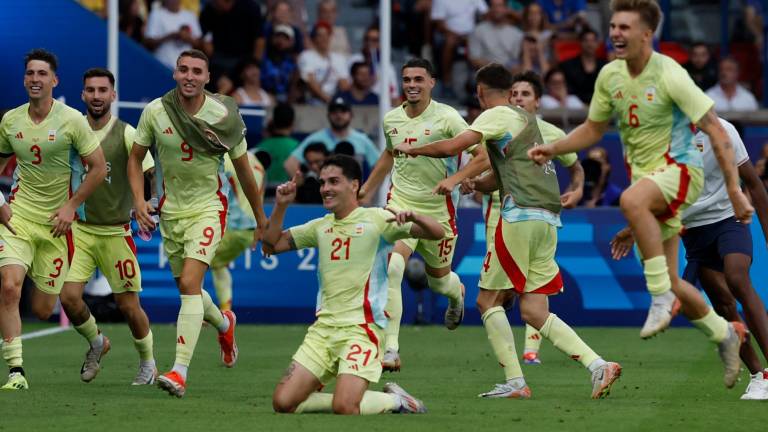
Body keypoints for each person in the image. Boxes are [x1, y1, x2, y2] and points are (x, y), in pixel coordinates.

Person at [527, 0, 750, 388]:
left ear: (647, 34)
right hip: (652, 180)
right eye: (613, 26)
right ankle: (725, 333)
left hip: (682, 171)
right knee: (676, 277)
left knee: (631, 201)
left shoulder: (671, 74)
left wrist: (734, 190)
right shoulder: (609, 76)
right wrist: (555, 148)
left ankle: (659, 296)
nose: (615, 33)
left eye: (624, 27)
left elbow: (715, 130)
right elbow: (593, 130)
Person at [393, 63, 620, 400]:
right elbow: (503, 171)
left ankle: (516, 382)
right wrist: (475, 183)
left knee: (487, 300)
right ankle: (598, 365)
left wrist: (416, 151)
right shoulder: (527, 121)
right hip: (547, 220)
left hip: (518, 218)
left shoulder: (496, 114)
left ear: (481, 91)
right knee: (533, 311)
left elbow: (454, 145)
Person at [128, 49, 268, 397]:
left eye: (197, 71)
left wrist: (261, 219)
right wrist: (139, 200)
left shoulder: (223, 115)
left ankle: (178, 371)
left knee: (191, 283)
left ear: (207, 78)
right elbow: (135, 159)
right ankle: (224, 323)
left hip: (209, 208)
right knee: (187, 289)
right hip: (170, 212)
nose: (189, 76)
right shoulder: (156, 111)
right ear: (175, 74)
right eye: (183, 69)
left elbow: (245, 173)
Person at [264, 155, 437, 414]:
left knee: (345, 407)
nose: (326, 188)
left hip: (362, 330)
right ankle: (350, 395)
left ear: (354, 185)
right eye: (322, 183)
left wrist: (417, 217)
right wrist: (281, 206)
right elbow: (270, 245)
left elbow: (437, 232)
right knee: (283, 403)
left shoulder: (378, 219)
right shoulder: (320, 227)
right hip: (323, 332)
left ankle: (396, 401)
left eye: (334, 181)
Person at [611, 117, 768, 400]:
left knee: (737, 278)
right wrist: (632, 229)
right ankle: (759, 375)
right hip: (692, 232)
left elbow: (755, 185)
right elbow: (655, 198)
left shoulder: (724, 130)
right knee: (723, 305)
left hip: (728, 220)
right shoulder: (658, 140)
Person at [359, 58, 479, 372]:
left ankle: (456, 295)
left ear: (431, 82)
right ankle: (391, 350)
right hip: (400, 204)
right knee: (392, 268)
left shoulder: (449, 118)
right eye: (407, 79)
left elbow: (482, 155)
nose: (412, 84)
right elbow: (389, 154)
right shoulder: (392, 119)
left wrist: (457, 178)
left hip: (439, 213)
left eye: (418, 79)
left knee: (438, 283)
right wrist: (368, 189)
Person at [0, 49, 107, 390]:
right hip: (19, 218)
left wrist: (71, 206)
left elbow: (99, 167)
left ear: (54, 80)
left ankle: (97, 340)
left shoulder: (72, 120)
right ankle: (16, 372)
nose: (35, 79)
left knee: (44, 308)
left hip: (58, 225)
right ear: (24, 79)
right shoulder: (10, 120)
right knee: (8, 286)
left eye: (42, 74)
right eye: (30, 73)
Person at [57, 68, 157, 386]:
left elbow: (149, 172)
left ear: (113, 95)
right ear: (83, 95)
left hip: (116, 233)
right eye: (91, 90)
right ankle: (98, 342)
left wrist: (145, 205)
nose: (97, 96)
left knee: (129, 306)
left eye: (103, 90)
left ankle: (148, 363)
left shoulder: (127, 133)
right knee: (69, 298)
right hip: (81, 231)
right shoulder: (72, 132)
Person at [483, 71, 585, 366]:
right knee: (512, 295)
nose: (518, 99)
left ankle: (526, 356)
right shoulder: (499, 123)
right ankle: (592, 363)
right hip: (496, 213)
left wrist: (576, 191)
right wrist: (477, 182)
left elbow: (576, 167)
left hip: (524, 215)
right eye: (514, 93)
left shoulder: (551, 133)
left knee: (504, 295)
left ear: (538, 101)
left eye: (525, 94)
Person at [208, 151, 266, 311]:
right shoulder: (257, 164)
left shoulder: (224, 159)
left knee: (192, 262)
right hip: (249, 229)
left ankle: (196, 312)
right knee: (219, 265)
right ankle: (226, 311)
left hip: (232, 226)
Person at [284, 97, 379, 178]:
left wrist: (367, 192)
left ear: (351, 115)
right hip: (324, 196)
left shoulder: (362, 139)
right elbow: (290, 164)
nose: (339, 115)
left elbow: (381, 166)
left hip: (352, 196)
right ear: (328, 115)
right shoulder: (316, 138)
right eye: (334, 112)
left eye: (343, 111)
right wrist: (302, 188)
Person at [298, 22, 350, 105]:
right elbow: (310, 81)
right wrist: (328, 100)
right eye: (320, 35)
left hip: (335, 100)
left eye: (326, 35)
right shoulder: (306, 56)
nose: (323, 38)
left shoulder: (339, 59)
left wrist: (336, 100)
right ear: (314, 38)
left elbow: (344, 83)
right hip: (314, 101)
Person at [144, 0, 203, 70]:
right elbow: (148, 43)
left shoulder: (190, 16)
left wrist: (188, 38)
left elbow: (200, 44)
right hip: (161, 65)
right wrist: (170, 36)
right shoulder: (156, 14)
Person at [468, 0, 524, 71]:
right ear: (489, 9)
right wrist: (498, 70)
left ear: (506, 9)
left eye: (500, 6)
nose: (497, 9)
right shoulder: (478, 30)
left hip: (510, 75)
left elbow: (518, 60)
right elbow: (474, 59)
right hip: (485, 74)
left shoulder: (517, 33)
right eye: (494, 6)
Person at [560, 29, 607, 104]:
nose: (589, 44)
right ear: (580, 43)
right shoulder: (568, 65)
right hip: (575, 103)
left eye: (593, 41)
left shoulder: (605, 66)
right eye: (586, 41)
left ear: (597, 44)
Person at [259, 103, 299, 184]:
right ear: (292, 123)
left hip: (264, 193)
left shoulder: (260, 147)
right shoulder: (298, 147)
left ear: (273, 122)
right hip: (288, 193)